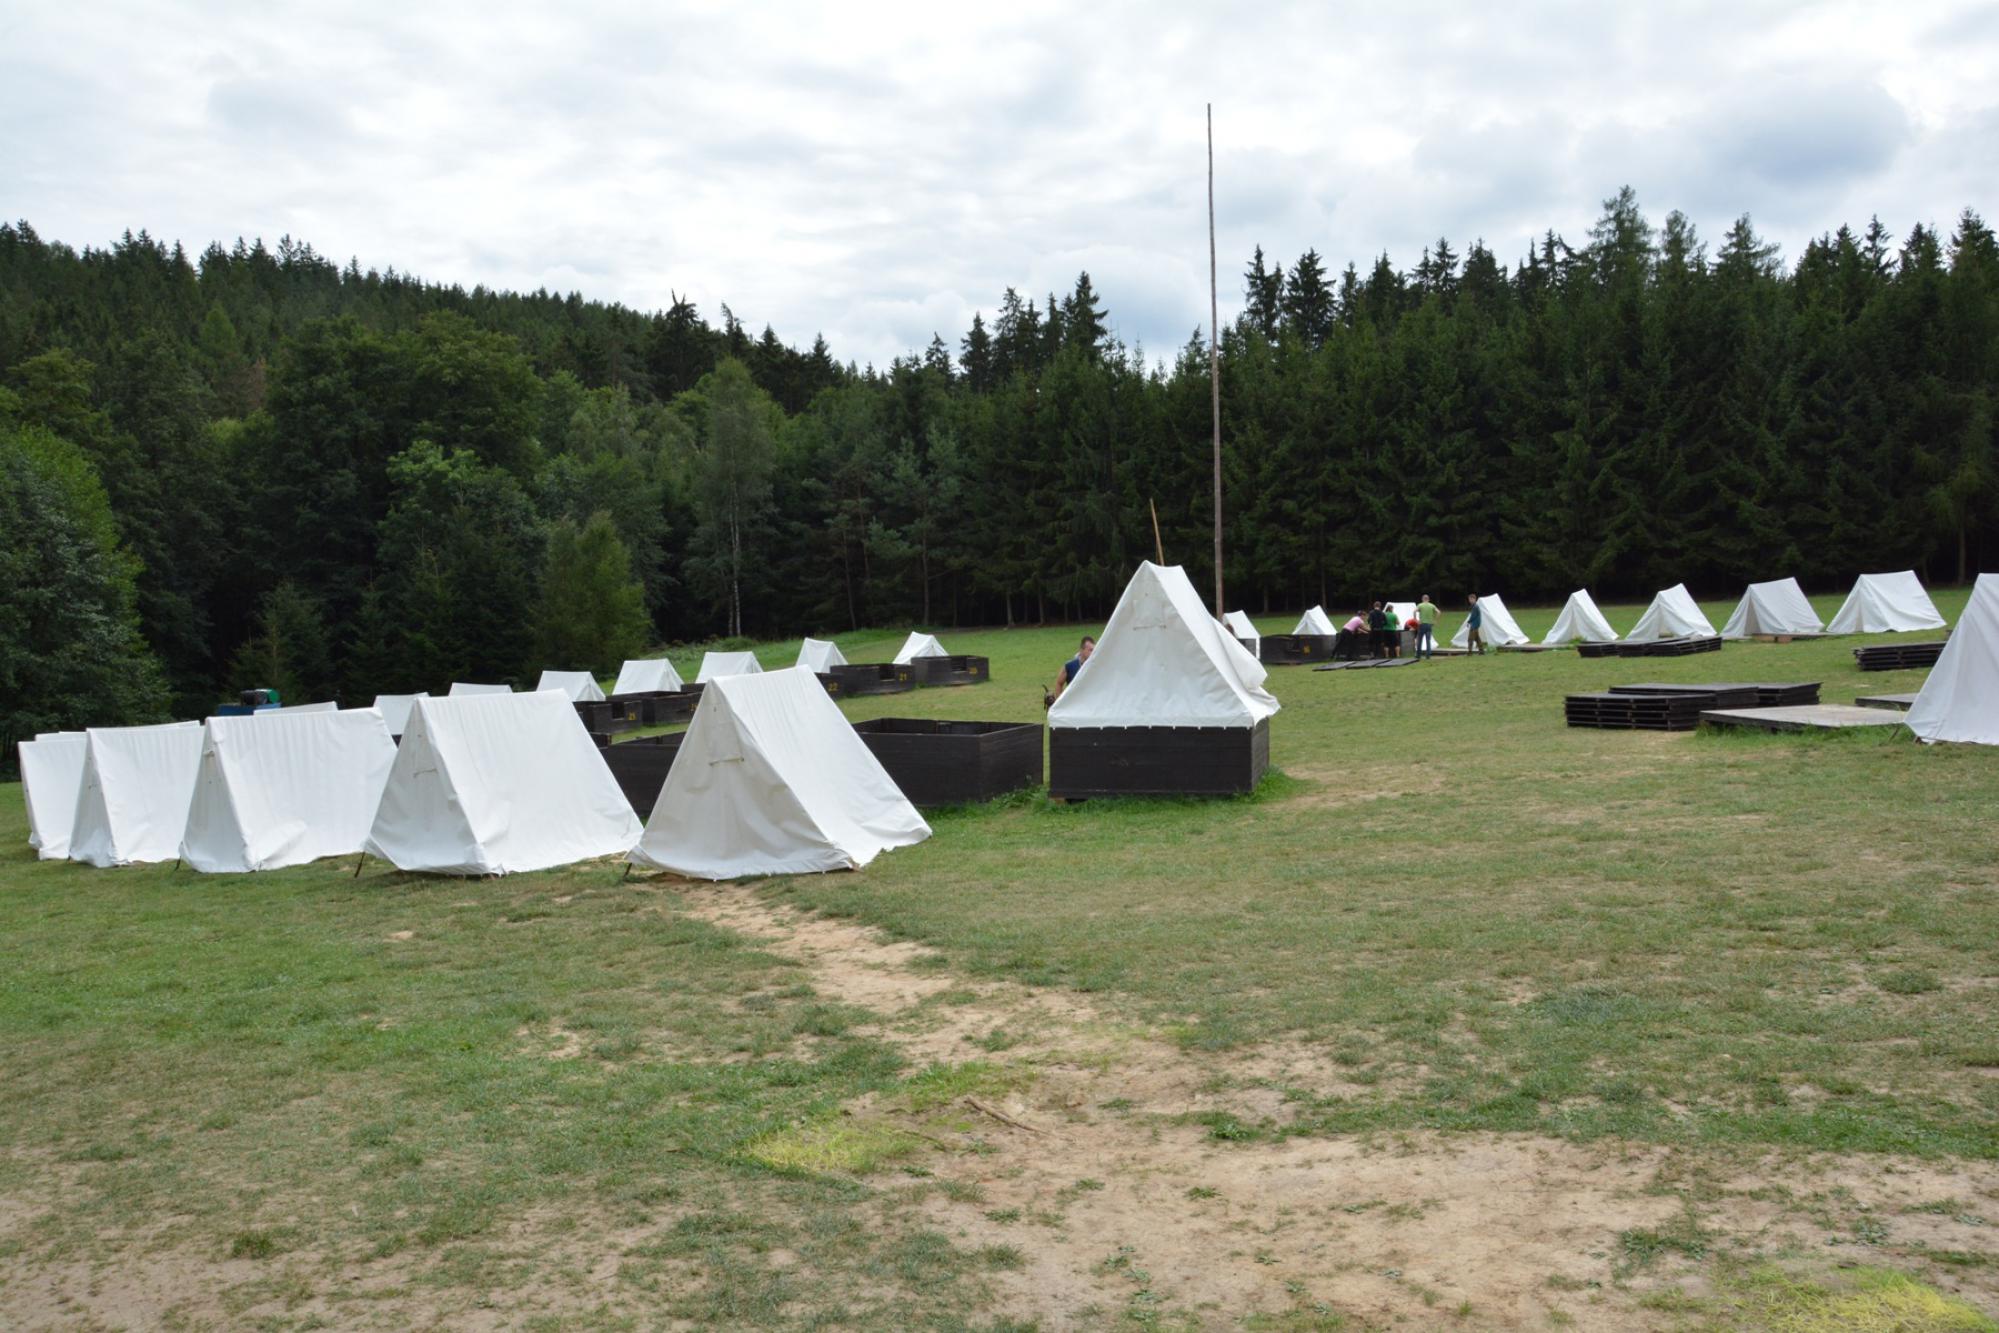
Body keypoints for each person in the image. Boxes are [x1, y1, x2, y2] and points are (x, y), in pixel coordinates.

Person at [1048, 635, 1095, 705]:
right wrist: (1060, 703)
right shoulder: (1070, 666)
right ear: (1081, 650)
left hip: (1090, 704)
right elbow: (1059, 684)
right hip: (1074, 705)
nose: (1093, 653)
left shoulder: (1095, 666)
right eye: (1090, 650)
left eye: (1094, 650)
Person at [1415, 593, 1440, 660]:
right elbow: (1438, 612)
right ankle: (1428, 656)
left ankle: (1418, 655)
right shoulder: (1432, 605)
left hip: (1422, 624)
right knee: (1428, 640)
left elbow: (1414, 611)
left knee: (1419, 640)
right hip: (1429, 625)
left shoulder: (1420, 605)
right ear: (1428, 599)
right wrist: (1435, 621)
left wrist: (1416, 620)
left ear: (1422, 599)